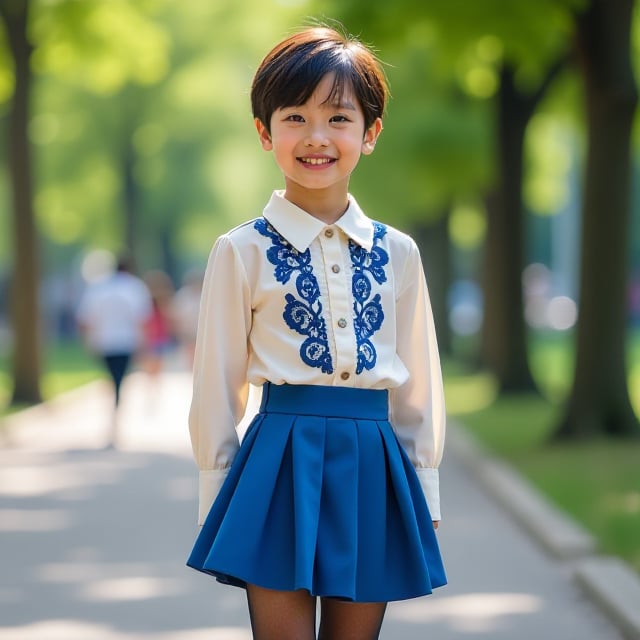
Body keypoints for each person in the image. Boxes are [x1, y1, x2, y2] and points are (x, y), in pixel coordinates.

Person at [186, 25, 446, 640]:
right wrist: (218, 493)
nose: (317, 137)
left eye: (338, 117)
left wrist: (424, 488)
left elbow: (419, 383)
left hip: (374, 463)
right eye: (295, 117)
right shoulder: (241, 250)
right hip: (276, 463)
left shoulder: (399, 252)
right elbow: (217, 384)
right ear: (264, 131)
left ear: (370, 132)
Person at [76, 254, 152, 447]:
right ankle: (115, 417)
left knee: (113, 379)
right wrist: (143, 343)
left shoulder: (99, 287)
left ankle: (113, 416)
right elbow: (142, 318)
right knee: (119, 380)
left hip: (104, 342)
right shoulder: (135, 287)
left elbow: (86, 318)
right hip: (126, 342)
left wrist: (87, 341)